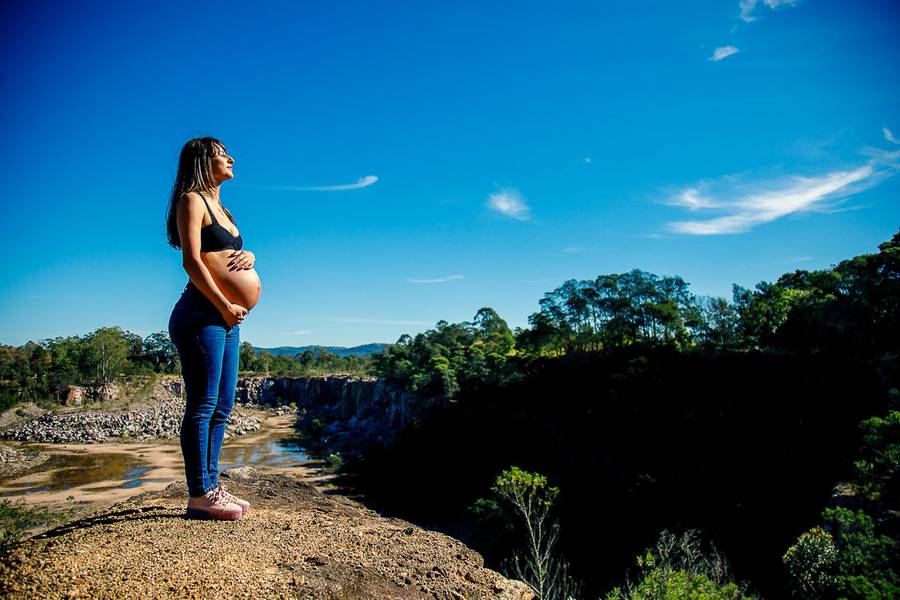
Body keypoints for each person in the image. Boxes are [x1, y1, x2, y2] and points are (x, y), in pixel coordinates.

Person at [165, 136, 257, 520]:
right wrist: (224, 305)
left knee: (223, 405)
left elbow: (228, 256)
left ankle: (212, 485)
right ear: (204, 161)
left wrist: (249, 255)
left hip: (226, 318)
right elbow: (192, 261)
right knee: (202, 405)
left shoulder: (225, 210)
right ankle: (199, 493)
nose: (231, 158)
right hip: (202, 315)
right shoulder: (192, 200)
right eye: (223, 155)